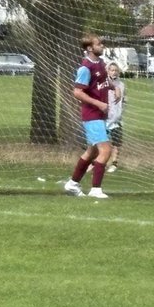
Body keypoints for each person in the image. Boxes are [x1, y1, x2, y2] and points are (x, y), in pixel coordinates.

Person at [64, 34, 112, 198]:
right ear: (90, 48)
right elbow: (77, 92)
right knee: (106, 150)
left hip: (100, 114)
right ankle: (96, 189)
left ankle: (72, 183)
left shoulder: (100, 63)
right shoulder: (85, 67)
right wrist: (98, 104)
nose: (102, 46)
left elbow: (103, 81)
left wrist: (114, 87)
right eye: (99, 44)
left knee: (91, 152)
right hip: (92, 115)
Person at [105, 62, 126, 172]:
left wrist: (121, 111)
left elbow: (124, 100)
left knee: (116, 143)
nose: (114, 72)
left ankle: (114, 163)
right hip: (106, 118)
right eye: (112, 70)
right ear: (108, 71)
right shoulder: (104, 84)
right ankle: (101, 162)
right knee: (104, 142)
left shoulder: (121, 85)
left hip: (117, 119)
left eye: (116, 70)